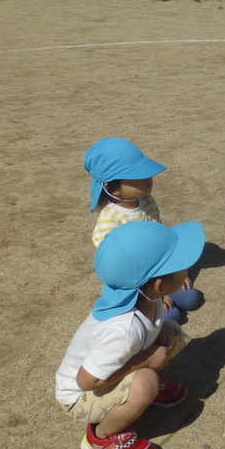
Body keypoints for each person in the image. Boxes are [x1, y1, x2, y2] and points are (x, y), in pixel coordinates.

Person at [55, 220, 204, 449]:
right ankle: (101, 438)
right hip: (80, 396)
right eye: (179, 265)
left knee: (171, 332)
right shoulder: (122, 330)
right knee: (145, 382)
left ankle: (134, 392)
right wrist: (145, 362)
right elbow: (86, 381)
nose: (186, 268)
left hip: (106, 373)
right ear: (159, 285)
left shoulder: (145, 296)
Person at [85, 138, 200, 323]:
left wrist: (175, 272)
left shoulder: (146, 200)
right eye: (137, 176)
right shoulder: (110, 220)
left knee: (191, 299)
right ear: (112, 188)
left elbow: (161, 240)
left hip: (159, 269)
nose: (148, 178)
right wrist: (156, 295)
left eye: (147, 172)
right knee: (172, 316)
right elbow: (120, 270)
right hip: (137, 284)